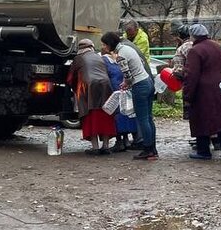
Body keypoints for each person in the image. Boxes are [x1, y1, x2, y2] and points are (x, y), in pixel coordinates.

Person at [183, 24, 221, 160]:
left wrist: (187, 95)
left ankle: (203, 151)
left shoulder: (195, 51)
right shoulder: (217, 46)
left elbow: (192, 75)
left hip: (203, 92)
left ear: (193, 36)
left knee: (201, 120)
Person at [103, 30, 159, 161]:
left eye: (105, 45)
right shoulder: (127, 48)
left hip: (140, 86)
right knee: (149, 118)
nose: (104, 48)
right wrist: (126, 81)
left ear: (110, 44)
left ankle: (147, 149)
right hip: (148, 81)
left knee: (142, 119)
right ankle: (153, 149)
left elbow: (128, 76)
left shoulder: (120, 55)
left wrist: (125, 83)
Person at [66, 38, 115, 155]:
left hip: (88, 87)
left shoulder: (78, 58)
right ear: (91, 47)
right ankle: (106, 146)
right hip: (106, 85)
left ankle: (95, 147)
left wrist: (74, 89)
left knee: (91, 115)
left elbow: (70, 78)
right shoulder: (99, 57)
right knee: (105, 113)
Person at [103, 48, 138, 151]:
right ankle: (126, 140)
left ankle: (119, 141)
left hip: (114, 89)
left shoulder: (104, 60)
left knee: (116, 114)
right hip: (125, 88)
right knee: (126, 113)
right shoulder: (120, 59)